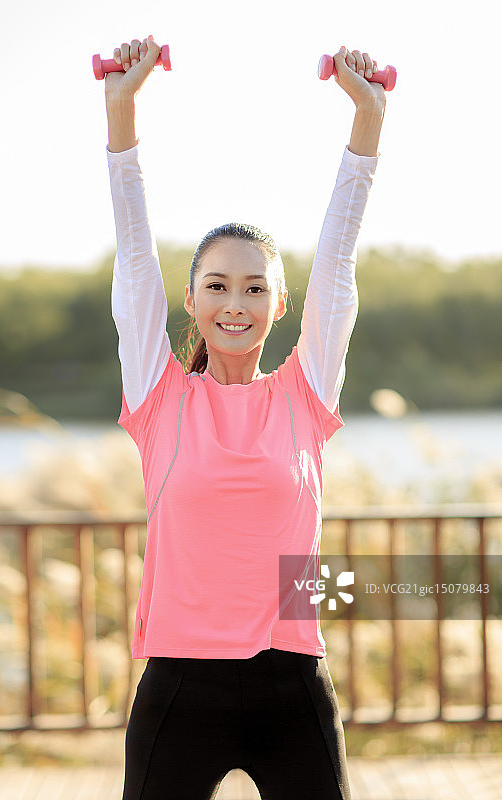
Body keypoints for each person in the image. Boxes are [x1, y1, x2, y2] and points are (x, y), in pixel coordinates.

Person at [104, 35, 386, 800]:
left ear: (279, 305)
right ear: (191, 300)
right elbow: (133, 261)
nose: (236, 304)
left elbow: (336, 261)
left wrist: (367, 121)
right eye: (218, 287)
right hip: (178, 689)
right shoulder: (160, 401)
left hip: (292, 683)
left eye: (255, 289)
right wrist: (121, 109)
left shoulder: (304, 396)